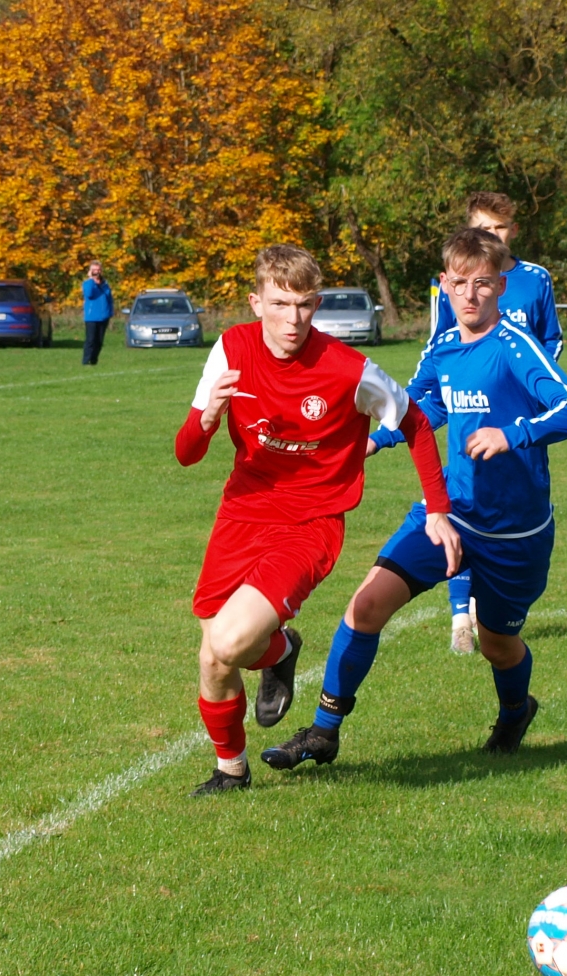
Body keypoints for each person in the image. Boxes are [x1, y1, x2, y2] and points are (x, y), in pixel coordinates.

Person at [262, 226, 567, 774]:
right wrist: (375, 439)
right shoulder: (443, 348)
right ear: (444, 284)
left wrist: (513, 434)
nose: (470, 294)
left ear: (500, 286)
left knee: (498, 646)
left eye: (482, 284)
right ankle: (323, 732)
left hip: (515, 531)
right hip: (450, 510)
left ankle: (516, 710)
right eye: (459, 283)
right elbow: (423, 408)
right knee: (366, 605)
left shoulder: (515, 346)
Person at [173, 244, 448, 796]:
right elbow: (186, 454)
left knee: (227, 643)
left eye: (303, 304)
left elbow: (415, 423)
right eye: (279, 304)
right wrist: (207, 417)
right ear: (256, 303)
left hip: (310, 523)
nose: (292, 319)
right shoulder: (231, 349)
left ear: (316, 304)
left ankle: (273, 656)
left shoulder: (347, 369)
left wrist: (438, 508)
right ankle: (233, 766)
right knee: (214, 656)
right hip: (242, 513)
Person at [430, 192, 562, 656]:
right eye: (483, 227)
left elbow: (550, 339)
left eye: (499, 228)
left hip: (518, 411)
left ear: (513, 231)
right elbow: (443, 343)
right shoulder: (458, 283)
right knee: (463, 499)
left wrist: (534, 388)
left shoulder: (535, 279)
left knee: (508, 499)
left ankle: (491, 614)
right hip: (470, 405)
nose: (492, 235)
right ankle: (459, 617)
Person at [81, 261, 113, 366]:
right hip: (91, 317)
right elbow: (89, 294)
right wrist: (91, 279)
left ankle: (94, 361)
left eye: (98, 270)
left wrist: (110, 312)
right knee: (90, 340)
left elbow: (109, 299)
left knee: (99, 341)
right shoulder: (87, 284)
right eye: (94, 270)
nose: (96, 272)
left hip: (104, 316)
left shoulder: (105, 284)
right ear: (90, 271)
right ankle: (86, 361)